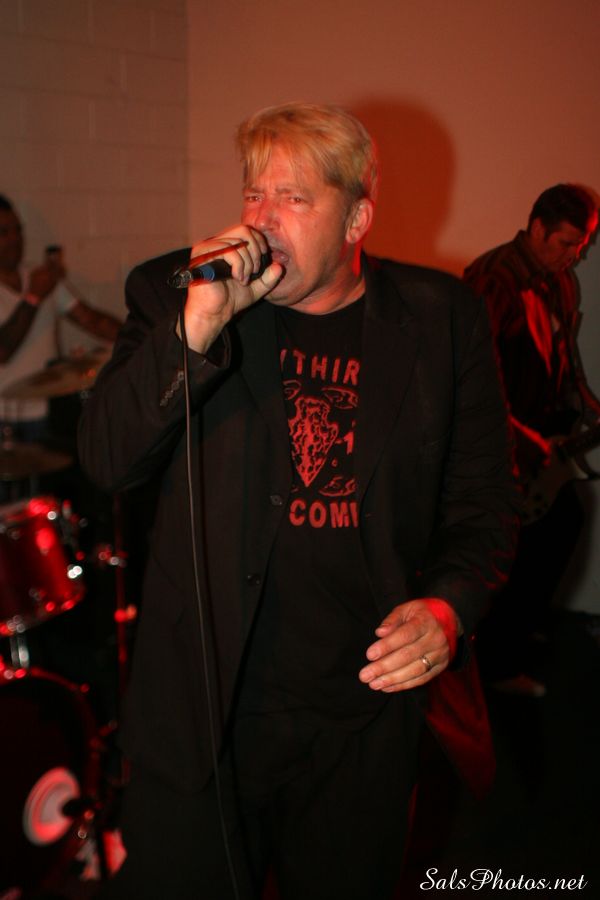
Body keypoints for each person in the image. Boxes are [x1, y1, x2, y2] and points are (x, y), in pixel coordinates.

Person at [79, 102, 518, 900]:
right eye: (254, 193)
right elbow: (107, 460)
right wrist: (196, 331)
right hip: (206, 715)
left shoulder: (440, 318)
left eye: (294, 198)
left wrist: (449, 608)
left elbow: (485, 502)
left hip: (358, 719)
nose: (262, 220)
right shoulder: (178, 292)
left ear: (357, 219)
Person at [464, 183, 600, 696]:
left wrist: (583, 398)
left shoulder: (560, 282)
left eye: (581, 245)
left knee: (558, 529)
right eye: (567, 243)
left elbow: (564, 351)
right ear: (538, 228)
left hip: (542, 433)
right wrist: (518, 438)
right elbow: (474, 381)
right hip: (503, 439)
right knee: (516, 547)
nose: (575, 256)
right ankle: (497, 662)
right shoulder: (491, 279)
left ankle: (516, 635)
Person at [0, 194, 121, 443]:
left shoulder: (40, 276)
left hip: (49, 412)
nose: (15, 239)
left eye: (17, 230)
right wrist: (33, 297)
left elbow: (92, 321)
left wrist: (139, 335)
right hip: (6, 418)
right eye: (3, 232)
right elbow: (3, 351)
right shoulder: (39, 284)